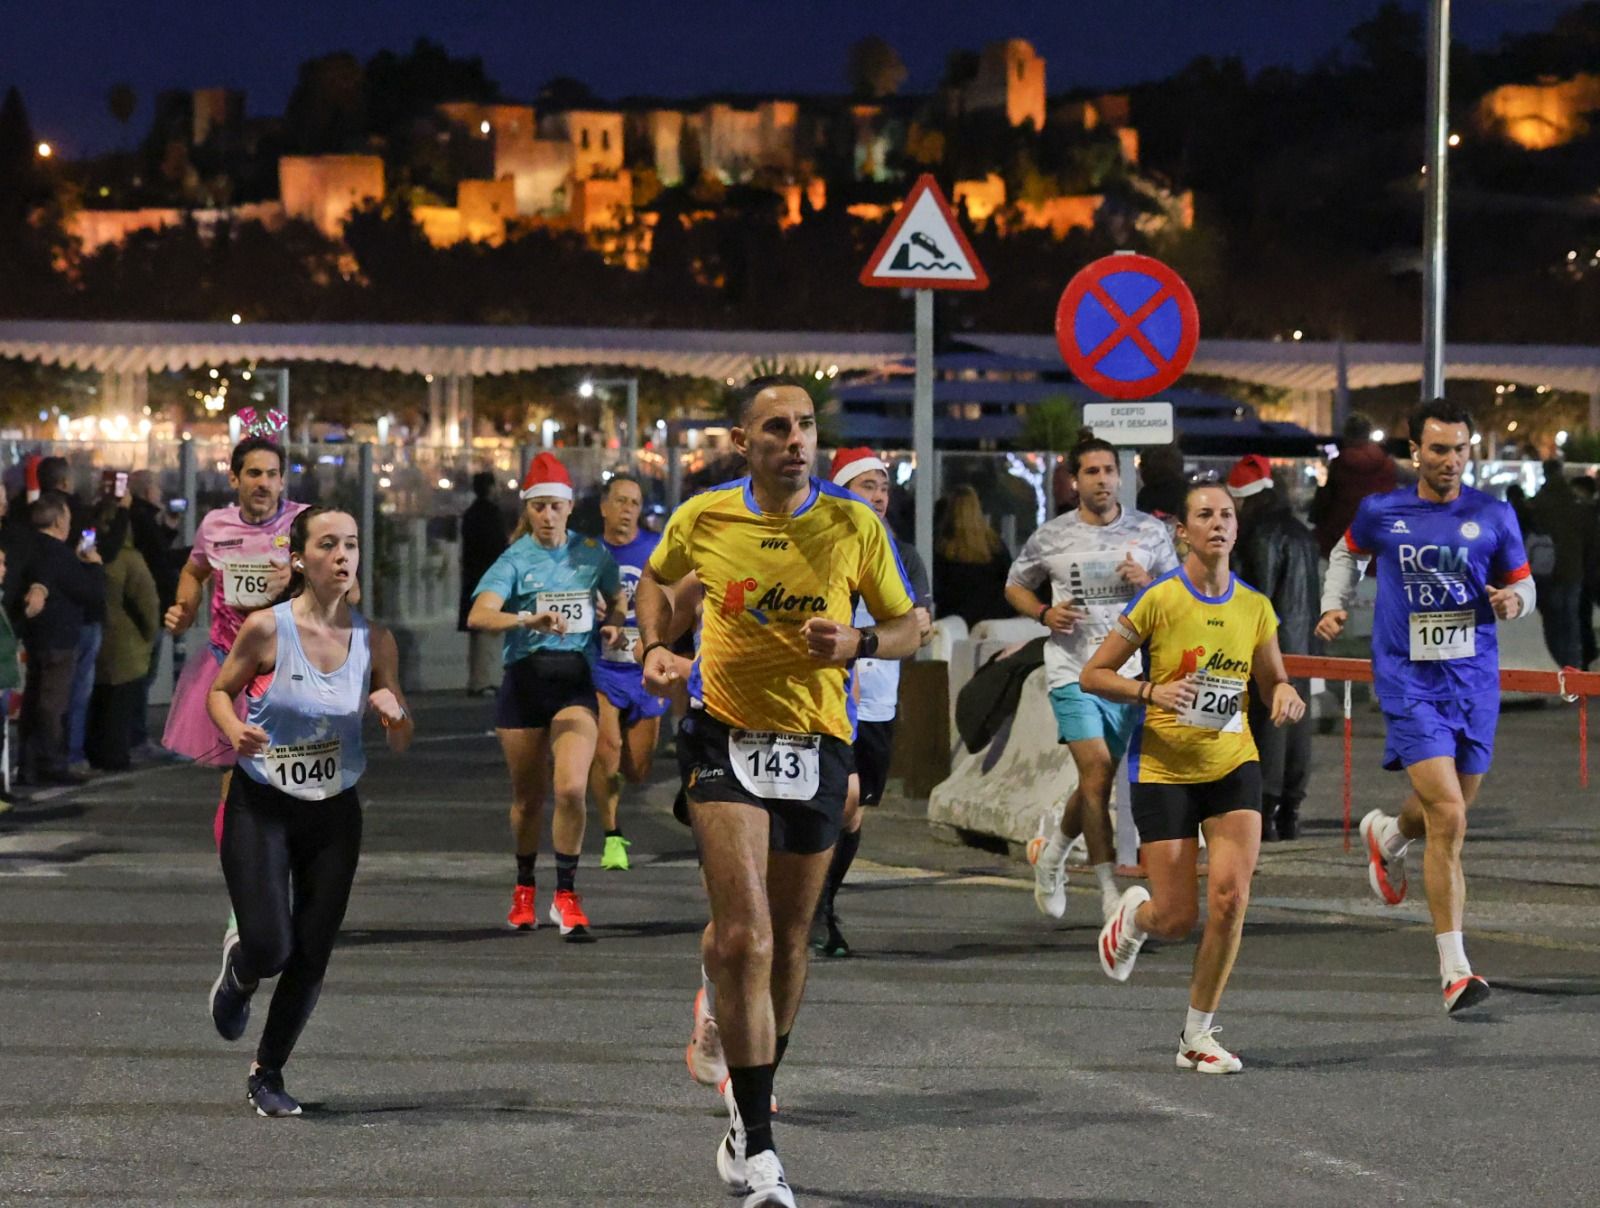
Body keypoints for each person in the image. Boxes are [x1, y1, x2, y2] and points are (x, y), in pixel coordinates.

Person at [636, 378, 919, 1207]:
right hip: (723, 735)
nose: (796, 439)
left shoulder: (854, 524)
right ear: (743, 440)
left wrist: (859, 639)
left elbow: (911, 626)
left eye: (804, 426)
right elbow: (656, 582)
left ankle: (743, 1101)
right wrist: (658, 644)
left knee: (789, 944)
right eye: (777, 428)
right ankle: (760, 1147)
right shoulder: (706, 515)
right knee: (748, 937)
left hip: (819, 743)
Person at [1317, 399, 1534, 1014]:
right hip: (1408, 678)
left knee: (1454, 807)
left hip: (1473, 680)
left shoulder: (1492, 512)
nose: (1450, 461)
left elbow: (1522, 580)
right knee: (1450, 816)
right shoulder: (1382, 510)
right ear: (1414, 451)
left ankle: (1387, 832)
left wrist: (1516, 601)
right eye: (1438, 450)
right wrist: (1337, 601)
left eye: (1460, 449)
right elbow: (1347, 553)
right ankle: (1455, 969)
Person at [1081, 483, 1304, 1074]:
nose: (1218, 524)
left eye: (1227, 514)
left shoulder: (1255, 607)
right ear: (1182, 530)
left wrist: (1283, 692)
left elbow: (1272, 678)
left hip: (1233, 763)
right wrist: (1151, 690)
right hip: (1165, 769)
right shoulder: (1159, 600)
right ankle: (1135, 915)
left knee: (1230, 899)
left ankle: (1197, 1035)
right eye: (1204, 515)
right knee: (1177, 919)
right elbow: (1094, 674)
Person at [205, 507, 413, 1116]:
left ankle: (266, 1072)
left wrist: (393, 713)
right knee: (271, 946)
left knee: (312, 949)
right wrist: (234, 728)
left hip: (333, 812)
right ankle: (241, 971)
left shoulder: (376, 641)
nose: (344, 556)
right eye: (329, 544)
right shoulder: (268, 629)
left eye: (351, 544)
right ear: (302, 558)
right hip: (262, 804)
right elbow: (221, 691)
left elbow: (402, 739)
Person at [1007, 434, 1179, 924]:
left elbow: (1176, 595)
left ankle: (1054, 852)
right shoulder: (1052, 536)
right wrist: (1045, 612)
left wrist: (1147, 585)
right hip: (1073, 672)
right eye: (1092, 472)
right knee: (1098, 774)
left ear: (1120, 476)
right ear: (1074, 480)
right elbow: (1015, 584)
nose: (1102, 480)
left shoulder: (1148, 533)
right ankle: (1108, 893)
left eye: (1109, 470)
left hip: (1126, 676)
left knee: (1091, 784)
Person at [468, 452, 627, 940]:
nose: (547, 516)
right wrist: (526, 619)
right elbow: (479, 615)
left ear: (569, 507)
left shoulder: (591, 554)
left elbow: (617, 598)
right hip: (525, 683)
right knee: (528, 800)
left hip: (574, 683)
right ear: (528, 510)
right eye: (538, 507)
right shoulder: (515, 559)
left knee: (572, 789)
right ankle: (522, 886)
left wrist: (615, 625)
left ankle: (566, 894)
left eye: (555, 507)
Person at [162, 432, 308, 944]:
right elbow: (193, 570)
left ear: (283, 480)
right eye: (254, 474)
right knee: (238, 791)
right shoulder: (215, 525)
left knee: (291, 789)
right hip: (229, 673)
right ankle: (244, 900)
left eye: (272, 474)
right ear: (234, 478)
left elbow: (347, 585)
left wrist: (297, 574)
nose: (264, 483)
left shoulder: (303, 524)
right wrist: (185, 608)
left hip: (290, 676)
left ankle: (283, 894)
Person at [812, 447, 933, 958]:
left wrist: (867, 638)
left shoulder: (903, 555)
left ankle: (821, 901)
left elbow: (922, 624)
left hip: (877, 703)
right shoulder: (820, 546)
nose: (880, 496)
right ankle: (811, 910)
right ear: (842, 491)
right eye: (868, 486)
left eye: (884, 487)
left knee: (852, 813)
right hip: (822, 700)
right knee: (836, 800)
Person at [1227, 454, 1321, 840]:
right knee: (1297, 727)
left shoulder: (1259, 534)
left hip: (1271, 646)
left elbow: (1259, 597)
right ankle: (1291, 811)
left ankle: (1263, 811)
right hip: (1304, 643)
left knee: (1268, 726)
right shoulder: (1301, 531)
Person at [588, 473, 671, 872]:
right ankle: (611, 835)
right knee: (607, 749)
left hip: (642, 669)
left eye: (634, 503)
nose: (626, 510)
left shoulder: (656, 550)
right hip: (599, 667)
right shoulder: (586, 553)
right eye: (619, 501)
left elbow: (678, 600)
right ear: (604, 507)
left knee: (636, 769)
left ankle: (609, 779)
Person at [18, 495, 104, 786]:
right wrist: (93, 566)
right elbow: (90, 594)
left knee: (34, 700)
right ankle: (52, 764)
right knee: (53, 704)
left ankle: (28, 764)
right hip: (60, 640)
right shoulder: (60, 554)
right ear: (58, 521)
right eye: (66, 519)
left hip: (35, 637)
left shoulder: (28, 548)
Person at [86, 497, 160, 772]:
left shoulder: (87, 554)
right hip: (126, 644)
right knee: (120, 707)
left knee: (98, 703)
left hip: (99, 640)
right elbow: (147, 603)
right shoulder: (130, 559)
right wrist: (150, 634)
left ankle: (94, 753)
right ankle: (116, 757)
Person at [127, 469, 180, 756]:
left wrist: (168, 531)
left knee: (142, 676)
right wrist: (196, 555)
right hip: (152, 606)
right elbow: (159, 561)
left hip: (151, 605)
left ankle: (135, 735)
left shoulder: (143, 519)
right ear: (147, 491)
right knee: (143, 675)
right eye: (157, 488)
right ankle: (137, 736)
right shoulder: (143, 519)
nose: (160, 493)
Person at [1526, 459, 1598, 672]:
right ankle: (1573, 670)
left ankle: (1557, 668)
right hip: (1573, 571)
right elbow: (1591, 540)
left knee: (1552, 624)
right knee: (1571, 623)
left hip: (1544, 571)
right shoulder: (1576, 504)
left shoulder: (1538, 504)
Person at [1311, 412, 1398, 558]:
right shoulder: (1388, 464)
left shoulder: (1339, 464)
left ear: (1347, 435)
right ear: (1368, 434)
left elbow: (1326, 502)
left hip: (1341, 541)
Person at [932, 485, 1011, 629]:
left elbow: (938, 591)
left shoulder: (942, 548)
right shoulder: (995, 546)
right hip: (991, 625)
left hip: (954, 626)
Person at [459, 470, 508, 696]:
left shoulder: (470, 514)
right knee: (490, 632)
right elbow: (498, 547)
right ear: (490, 488)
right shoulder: (492, 514)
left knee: (478, 634)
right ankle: (485, 681)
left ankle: (477, 679)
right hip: (490, 579)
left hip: (473, 577)